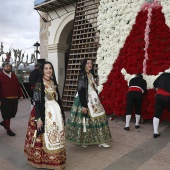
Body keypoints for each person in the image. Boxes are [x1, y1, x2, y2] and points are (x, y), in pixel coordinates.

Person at [24, 61, 66, 169]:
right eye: (46, 68)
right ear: (42, 70)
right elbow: (37, 102)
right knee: (43, 136)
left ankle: (56, 159)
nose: (48, 70)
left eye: (50, 68)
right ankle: (43, 160)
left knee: (56, 134)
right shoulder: (39, 83)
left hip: (55, 113)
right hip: (43, 113)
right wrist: (38, 118)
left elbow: (57, 99)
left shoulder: (53, 82)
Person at [66, 58, 112, 148]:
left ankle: (101, 140)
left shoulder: (91, 74)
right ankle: (84, 140)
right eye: (87, 63)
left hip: (94, 99)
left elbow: (94, 87)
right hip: (85, 99)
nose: (89, 65)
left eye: (91, 63)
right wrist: (83, 105)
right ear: (84, 65)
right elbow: (81, 90)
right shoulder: (82, 75)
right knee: (85, 121)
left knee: (100, 117)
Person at [0, 61, 23, 136]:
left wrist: (21, 95)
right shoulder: (0, 76)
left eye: (9, 66)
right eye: (7, 66)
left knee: (13, 113)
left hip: (14, 98)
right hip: (4, 99)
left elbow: (18, 86)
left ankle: (4, 123)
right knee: (7, 114)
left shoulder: (13, 75)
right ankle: (8, 130)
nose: (8, 67)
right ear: (3, 67)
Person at [152, 71, 170, 138]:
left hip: (159, 95)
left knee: (157, 114)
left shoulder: (162, 75)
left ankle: (155, 133)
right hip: (168, 96)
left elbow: (154, 84)